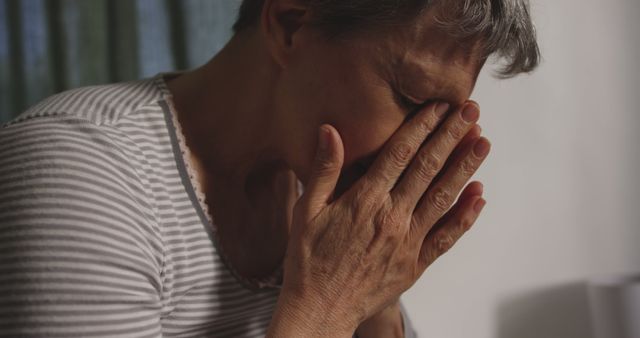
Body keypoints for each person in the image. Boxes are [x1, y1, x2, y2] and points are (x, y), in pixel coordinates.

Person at [0, 0, 540, 336]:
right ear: (289, 25)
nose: (422, 147)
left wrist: (379, 295)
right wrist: (327, 306)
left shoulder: (323, 197)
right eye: (411, 97)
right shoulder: (81, 175)